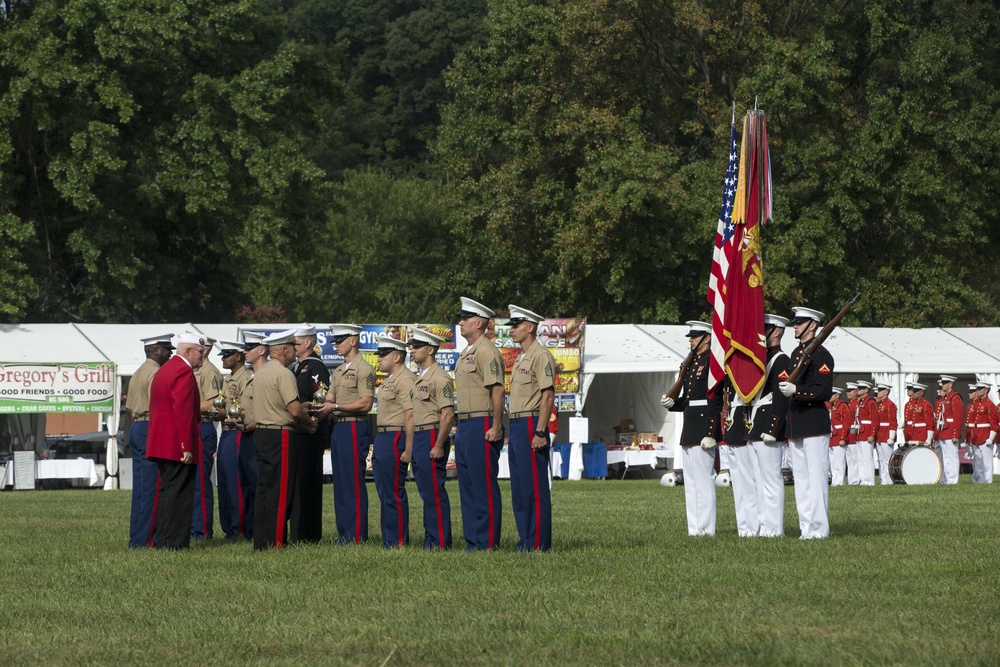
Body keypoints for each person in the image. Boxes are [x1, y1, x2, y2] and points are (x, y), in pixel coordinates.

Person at [252, 330, 317, 550]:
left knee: (264, 489)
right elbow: (294, 409)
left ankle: (262, 541)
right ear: (283, 350)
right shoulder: (284, 374)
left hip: (261, 432)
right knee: (281, 492)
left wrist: (300, 409)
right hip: (280, 433)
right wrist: (310, 423)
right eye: (292, 347)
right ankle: (277, 542)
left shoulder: (261, 372)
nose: (294, 351)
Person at [311, 324, 375, 545]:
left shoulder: (364, 368)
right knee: (339, 483)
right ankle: (344, 534)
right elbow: (329, 400)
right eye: (335, 341)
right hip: (339, 426)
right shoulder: (338, 371)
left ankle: (356, 535)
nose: (336, 344)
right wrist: (315, 410)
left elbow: (366, 403)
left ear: (353, 340)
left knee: (352, 482)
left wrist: (335, 405)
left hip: (354, 426)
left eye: (340, 340)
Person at [453, 297, 506, 551]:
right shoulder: (467, 353)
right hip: (464, 424)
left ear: (479, 322)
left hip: (481, 422)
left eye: (465, 318)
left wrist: (496, 425)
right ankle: (473, 540)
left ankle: (487, 542)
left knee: (483, 485)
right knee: (467, 485)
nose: (460, 322)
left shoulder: (486, 351)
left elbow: (497, 390)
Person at [662, 321, 723, 537]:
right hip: (689, 426)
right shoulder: (690, 363)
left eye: (695, 336)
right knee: (691, 483)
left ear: (707, 338)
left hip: (703, 427)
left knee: (704, 480)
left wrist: (710, 432)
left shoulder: (712, 364)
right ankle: (695, 528)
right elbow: (689, 399)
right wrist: (673, 404)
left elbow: (715, 401)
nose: (691, 340)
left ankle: (707, 529)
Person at [779, 307, 834, 540]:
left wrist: (797, 391)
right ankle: (806, 528)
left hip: (813, 424)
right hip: (797, 424)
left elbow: (824, 391)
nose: (796, 326)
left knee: (816, 479)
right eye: (795, 322)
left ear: (813, 325)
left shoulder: (821, 355)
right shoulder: (796, 353)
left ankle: (819, 529)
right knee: (801, 480)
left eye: (800, 322)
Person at [146, 332, 204, 550]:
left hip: (163, 442)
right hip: (176, 443)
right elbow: (184, 411)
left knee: (168, 493)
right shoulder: (183, 372)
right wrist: (186, 445)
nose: (203, 356)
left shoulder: (166, 369)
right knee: (180, 494)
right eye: (200, 351)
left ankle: (164, 540)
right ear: (188, 351)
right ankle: (175, 542)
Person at [507, 305, 558, 551]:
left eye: (517, 325)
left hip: (531, 422)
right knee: (519, 488)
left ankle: (538, 542)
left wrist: (540, 431)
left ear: (530, 327)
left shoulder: (541, 355)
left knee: (534, 488)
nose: (512, 330)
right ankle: (526, 538)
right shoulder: (521, 357)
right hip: (517, 423)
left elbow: (547, 395)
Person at [408, 328, 455, 549]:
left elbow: (447, 414)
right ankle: (431, 538)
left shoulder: (440, 377)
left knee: (434, 491)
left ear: (431, 349)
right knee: (426, 491)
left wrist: (438, 444)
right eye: (412, 346)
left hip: (431, 435)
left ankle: (440, 541)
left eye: (417, 346)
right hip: (419, 436)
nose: (412, 350)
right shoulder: (422, 377)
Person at [126, 334, 174, 548]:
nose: (170, 352)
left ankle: (138, 537)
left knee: (140, 489)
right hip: (148, 426)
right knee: (152, 489)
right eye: (166, 348)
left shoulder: (137, 373)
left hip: (136, 425)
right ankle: (147, 540)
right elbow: (162, 406)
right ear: (155, 350)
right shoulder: (156, 373)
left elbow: (128, 408)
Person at [746, 314, 790, 537]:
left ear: (777, 332)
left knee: (771, 480)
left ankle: (774, 528)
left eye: (765, 329)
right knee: (758, 481)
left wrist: (773, 428)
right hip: (755, 423)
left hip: (767, 425)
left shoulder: (781, 359)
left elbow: (782, 398)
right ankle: (764, 526)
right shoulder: (762, 358)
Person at [371, 335, 416, 548]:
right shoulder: (389, 380)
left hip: (395, 435)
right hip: (383, 436)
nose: (379, 358)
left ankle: (398, 540)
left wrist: (408, 447)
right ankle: (389, 538)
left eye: (383, 354)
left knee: (393, 492)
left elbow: (410, 414)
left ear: (397, 356)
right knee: (384, 492)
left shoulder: (405, 379)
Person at [289, 324, 331, 543]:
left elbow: (320, 397)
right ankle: (301, 531)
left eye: (296, 342)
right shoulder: (301, 366)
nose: (292, 346)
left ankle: (307, 533)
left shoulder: (314, 366)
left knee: (307, 485)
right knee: (300, 485)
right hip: (302, 431)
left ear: (307, 342)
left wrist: (313, 420)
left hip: (310, 433)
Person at [214, 340, 251, 539]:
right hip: (226, 432)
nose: (223, 358)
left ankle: (239, 527)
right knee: (226, 481)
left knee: (236, 480)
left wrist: (225, 414)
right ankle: (229, 526)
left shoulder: (246, 377)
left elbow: (243, 408)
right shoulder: (227, 379)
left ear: (238, 356)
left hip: (237, 431)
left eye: (227, 354)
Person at [235, 332, 267, 540]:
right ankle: (249, 530)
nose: (246, 351)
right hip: (245, 433)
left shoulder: (265, 376)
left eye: (251, 347)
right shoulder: (250, 377)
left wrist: (250, 426)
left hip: (258, 433)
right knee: (246, 485)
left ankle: (258, 530)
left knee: (258, 485)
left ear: (262, 350)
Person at [191, 339, 223, 540]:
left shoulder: (209, 371)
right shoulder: (194, 369)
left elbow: (213, 403)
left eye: (201, 348)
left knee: (200, 482)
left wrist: (186, 404)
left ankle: (202, 530)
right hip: (192, 425)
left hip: (203, 426)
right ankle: (193, 527)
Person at [721, 377, 755, 537]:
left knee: (748, 483)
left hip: (743, 426)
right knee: (738, 485)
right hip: (733, 430)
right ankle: (743, 527)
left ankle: (753, 525)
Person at [934, 374, 964, 484]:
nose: (942, 385)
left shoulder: (955, 397)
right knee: (946, 457)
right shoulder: (944, 398)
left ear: (950, 384)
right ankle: (947, 479)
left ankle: (953, 480)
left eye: (945, 383)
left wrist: (956, 434)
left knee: (952, 457)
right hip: (944, 431)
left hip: (951, 431)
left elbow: (958, 417)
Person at [965, 382, 996, 484]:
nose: (978, 390)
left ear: (986, 390)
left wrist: (991, 438)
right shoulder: (977, 404)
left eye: (980, 389)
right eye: (977, 388)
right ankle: (981, 481)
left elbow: (994, 423)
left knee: (987, 462)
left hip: (985, 434)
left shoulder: (990, 404)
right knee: (978, 461)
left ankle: (988, 481)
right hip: (976, 435)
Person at [854, 380, 878, 486]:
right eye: (858, 388)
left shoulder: (870, 402)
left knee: (867, 458)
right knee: (861, 458)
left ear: (866, 390)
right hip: (860, 432)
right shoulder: (860, 402)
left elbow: (875, 420)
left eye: (860, 388)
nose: (858, 390)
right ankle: (863, 479)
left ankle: (869, 481)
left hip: (867, 433)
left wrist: (872, 434)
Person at [874, 383, 898, 485]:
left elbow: (893, 421)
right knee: (880, 459)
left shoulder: (890, 404)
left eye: (880, 390)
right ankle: (883, 480)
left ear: (886, 392)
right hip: (880, 434)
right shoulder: (879, 404)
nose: (878, 392)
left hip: (886, 434)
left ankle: (888, 480)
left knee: (887, 459)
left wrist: (891, 436)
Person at [829, 387, 850, 486]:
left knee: (839, 461)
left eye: (832, 394)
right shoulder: (832, 406)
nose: (830, 396)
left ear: (837, 395)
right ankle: (834, 480)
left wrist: (843, 437)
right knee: (833, 461)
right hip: (832, 436)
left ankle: (839, 481)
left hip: (839, 435)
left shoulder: (842, 405)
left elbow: (846, 423)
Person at [843, 382, 860, 485]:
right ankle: (852, 480)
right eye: (847, 391)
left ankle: (856, 480)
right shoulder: (849, 404)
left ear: (856, 392)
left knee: (855, 459)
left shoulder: (857, 403)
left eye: (850, 391)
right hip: (849, 434)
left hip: (854, 433)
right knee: (850, 459)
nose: (848, 393)